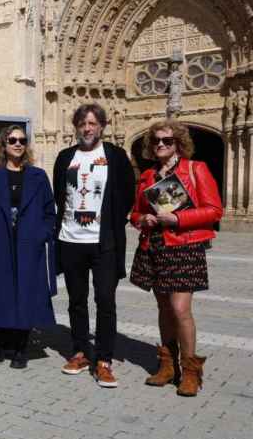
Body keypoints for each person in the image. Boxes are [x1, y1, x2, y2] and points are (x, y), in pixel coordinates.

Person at [129, 120, 222, 396]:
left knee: (180, 309)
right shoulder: (147, 175)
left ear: (178, 143)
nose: (161, 145)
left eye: (167, 141)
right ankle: (168, 366)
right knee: (164, 309)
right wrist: (141, 218)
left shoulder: (196, 169)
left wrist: (178, 218)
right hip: (155, 244)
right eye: (156, 140)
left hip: (183, 244)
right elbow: (134, 213)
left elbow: (214, 210)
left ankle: (191, 371)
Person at [53, 103, 135, 387]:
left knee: (106, 301)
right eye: (82, 124)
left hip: (104, 243)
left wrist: (111, 222)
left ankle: (103, 360)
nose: (87, 128)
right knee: (76, 301)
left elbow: (127, 192)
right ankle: (79, 352)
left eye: (92, 123)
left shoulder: (115, 156)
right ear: (76, 127)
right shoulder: (65, 157)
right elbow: (60, 194)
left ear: (102, 126)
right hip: (70, 239)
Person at [0, 125, 56, 368]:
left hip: (30, 245)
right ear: (4, 145)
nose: (18, 144)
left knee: (26, 294)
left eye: (22, 140)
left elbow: (50, 212)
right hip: (0, 246)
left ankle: (21, 348)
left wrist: (41, 234)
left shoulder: (38, 176)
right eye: (12, 140)